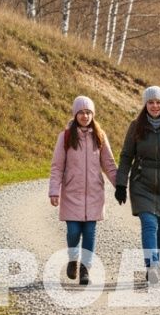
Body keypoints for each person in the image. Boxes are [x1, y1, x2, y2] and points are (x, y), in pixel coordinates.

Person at [115, 86, 160, 285]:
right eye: (151, 102)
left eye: (158, 102)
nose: (155, 106)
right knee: (149, 225)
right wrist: (120, 183)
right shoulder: (136, 125)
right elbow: (126, 156)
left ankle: (157, 262)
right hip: (142, 182)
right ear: (145, 105)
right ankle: (152, 266)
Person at [48, 95, 117, 286]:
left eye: (88, 113)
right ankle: (73, 259)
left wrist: (120, 185)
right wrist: (54, 190)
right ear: (75, 114)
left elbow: (109, 164)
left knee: (90, 232)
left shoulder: (100, 136)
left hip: (94, 192)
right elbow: (57, 166)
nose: (85, 116)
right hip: (72, 193)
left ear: (93, 115)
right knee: (73, 231)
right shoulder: (66, 137)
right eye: (81, 112)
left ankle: (85, 269)